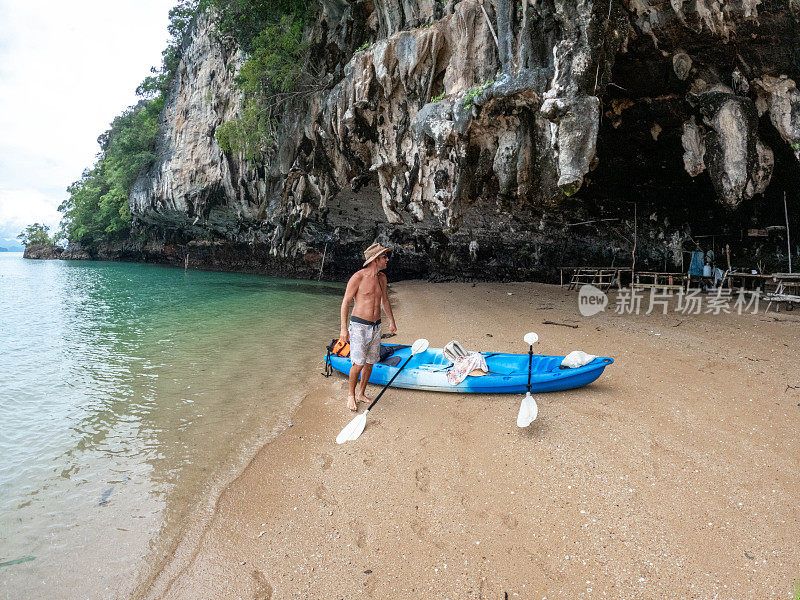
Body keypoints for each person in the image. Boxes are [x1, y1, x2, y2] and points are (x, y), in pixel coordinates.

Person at [339, 242, 397, 411]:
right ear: (375, 260)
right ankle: (351, 395)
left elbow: (385, 301)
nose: (387, 260)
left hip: (376, 326)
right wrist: (343, 329)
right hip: (359, 326)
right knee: (358, 363)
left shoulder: (382, 278)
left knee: (370, 362)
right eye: (384, 257)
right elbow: (345, 303)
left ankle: (361, 393)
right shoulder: (358, 277)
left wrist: (392, 321)